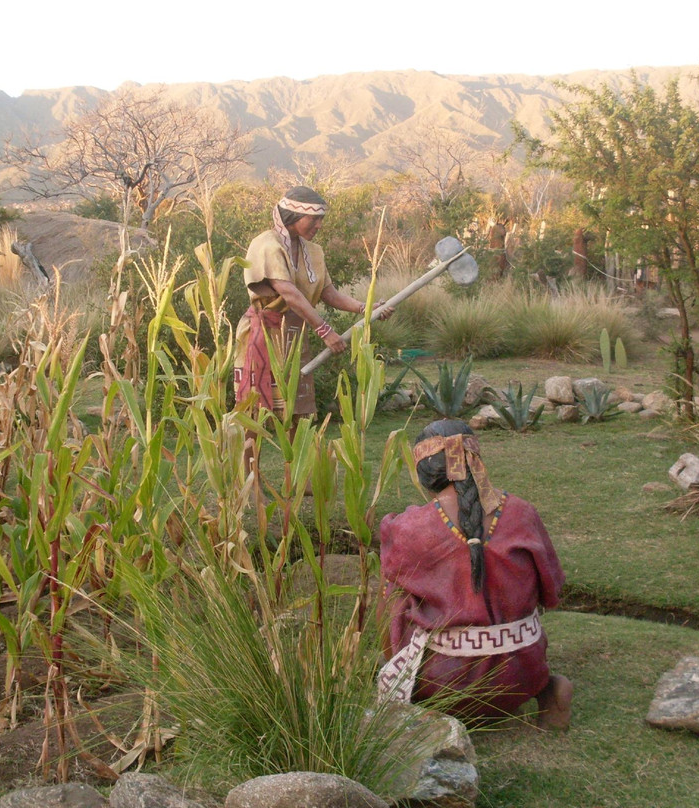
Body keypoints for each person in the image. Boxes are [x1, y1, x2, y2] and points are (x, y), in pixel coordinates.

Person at [376, 419, 572, 729]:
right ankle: (546, 690)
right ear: (476, 460)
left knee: (394, 590)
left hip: (445, 684)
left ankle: (410, 685)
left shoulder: (409, 527)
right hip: (523, 676)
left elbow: (392, 587)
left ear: (425, 473)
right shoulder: (521, 513)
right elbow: (553, 590)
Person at [233, 186, 392, 471]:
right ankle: (249, 477)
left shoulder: (313, 252)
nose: (319, 226)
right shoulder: (266, 245)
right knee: (255, 409)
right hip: (264, 335)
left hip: (296, 335)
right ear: (293, 215)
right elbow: (289, 293)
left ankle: (299, 476)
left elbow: (328, 293)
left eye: (321, 220)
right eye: (314, 219)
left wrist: (366, 307)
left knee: (298, 411)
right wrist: (324, 330)